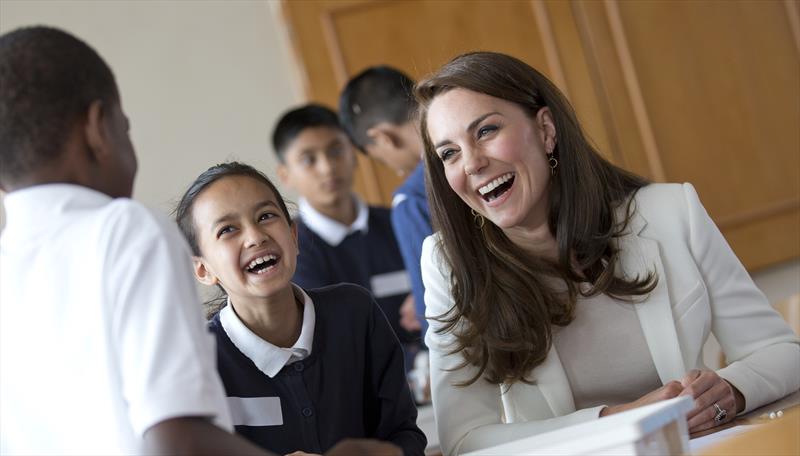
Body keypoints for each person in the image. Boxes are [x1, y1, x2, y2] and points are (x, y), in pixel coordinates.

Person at [0, 25, 397, 456]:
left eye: (267, 215)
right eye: (125, 127)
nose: (255, 236)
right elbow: (179, 439)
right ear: (98, 128)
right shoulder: (121, 229)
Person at [414, 51, 800, 455]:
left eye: (486, 131)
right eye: (449, 153)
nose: (472, 163)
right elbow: (465, 438)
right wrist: (622, 418)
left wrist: (729, 392)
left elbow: (781, 353)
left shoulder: (670, 212)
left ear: (546, 130)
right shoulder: (449, 266)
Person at [174, 162, 427, 456]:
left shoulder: (355, 314)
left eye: (266, 216)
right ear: (203, 269)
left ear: (294, 237)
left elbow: (404, 436)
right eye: (228, 229)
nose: (256, 237)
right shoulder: (199, 359)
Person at [272, 104, 421, 358]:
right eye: (309, 159)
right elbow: (333, 343)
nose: (327, 167)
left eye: (336, 151)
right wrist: (414, 369)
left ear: (354, 155)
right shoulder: (290, 249)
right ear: (285, 175)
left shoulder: (399, 220)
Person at [339, 67, 431, 335]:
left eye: (381, 159)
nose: (400, 171)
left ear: (383, 137)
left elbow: (435, 315)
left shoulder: (411, 200)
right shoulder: (479, 154)